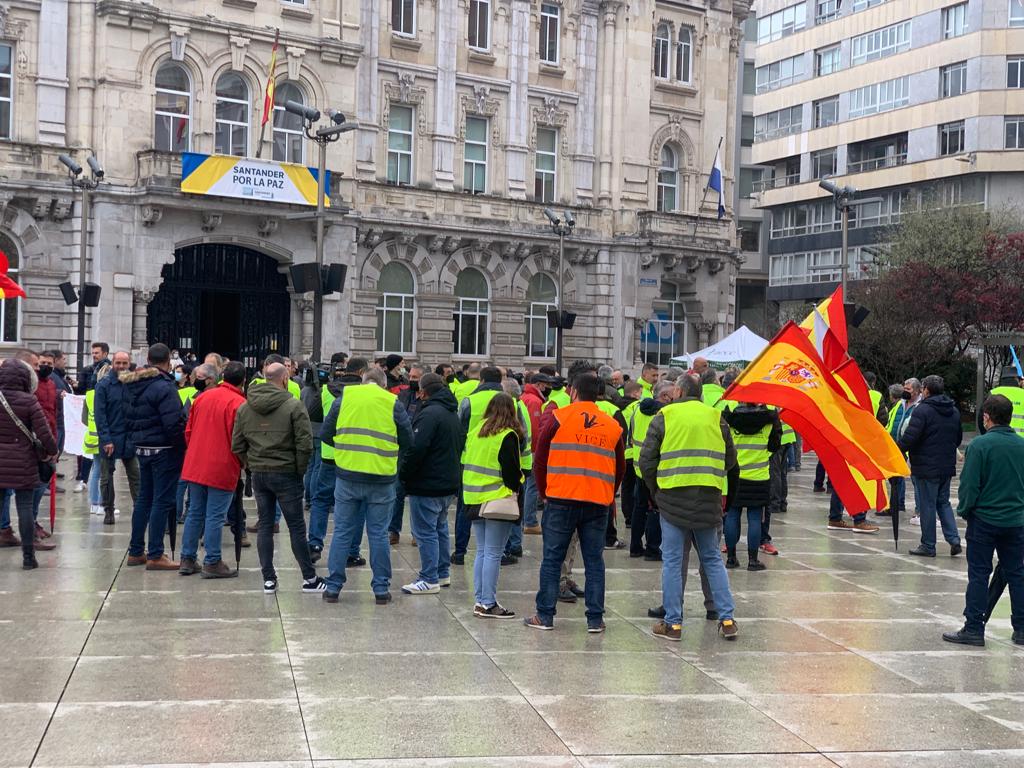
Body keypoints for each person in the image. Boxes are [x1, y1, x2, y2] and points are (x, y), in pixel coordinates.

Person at [639, 374, 740, 641]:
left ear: (680, 391)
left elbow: (646, 460)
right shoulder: (716, 417)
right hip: (708, 497)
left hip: (672, 498)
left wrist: (655, 491)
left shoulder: (665, 416)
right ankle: (727, 618)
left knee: (673, 561)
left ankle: (673, 623)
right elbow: (730, 458)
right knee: (712, 559)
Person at [523, 372, 625, 633]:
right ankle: (595, 619)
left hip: (561, 498)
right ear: (599, 395)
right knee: (594, 561)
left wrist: (545, 492)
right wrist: (608, 492)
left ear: (573, 392)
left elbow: (540, 458)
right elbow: (620, 467)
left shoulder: (559, 418)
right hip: (597, 501)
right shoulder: (612, 424)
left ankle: (544, 616)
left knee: (552, 559)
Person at [320, 367, 413, 604]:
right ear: (383, 384)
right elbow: (408, 439)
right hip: (381, 478)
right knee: (378, 534)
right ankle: (381, 589)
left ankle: (333, 587)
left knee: (342, 532)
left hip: (348, 475)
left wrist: (346, 448)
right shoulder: (392, 402)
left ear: (363, 381)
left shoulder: (346, 397)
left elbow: (326, 433)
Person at [233, 362, 325, 594]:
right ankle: (309, 578)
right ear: (285, 379)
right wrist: (299, 470)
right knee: (295, 526)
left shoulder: (245, 407)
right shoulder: (293, 405)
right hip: (286, 472)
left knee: (265, 524)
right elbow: (305, 444)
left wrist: (250, 464)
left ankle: (269, 579)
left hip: (260, 472)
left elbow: (237, 444)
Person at [943, 395, 1024, 647]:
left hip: (985, 520)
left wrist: (965, 511)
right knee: (1018, 574)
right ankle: (1021, 628)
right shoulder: (1021, 445)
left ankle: (974, 628)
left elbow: (969, 486)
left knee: (979, 573)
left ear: (986, 416)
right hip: (1016, 521)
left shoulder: (979, 446)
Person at [178, 361, 247, 578]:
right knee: (215, 515)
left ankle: (187, 558)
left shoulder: (202, 397)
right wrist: (243, 462)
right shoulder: (239, 403)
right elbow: (240, 440)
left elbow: (188, 431)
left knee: (195, 512)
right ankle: (212, 560)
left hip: (197, 462)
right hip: (222, 464)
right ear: (243, 381)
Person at [122, 343, 186, 570]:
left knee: (144, 499)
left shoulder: (132, 384)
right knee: (162, 500)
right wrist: (182, 446)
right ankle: (156, 553)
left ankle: (136, 550)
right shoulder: (164, 386)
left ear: (148, 359)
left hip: (142, 447)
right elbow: (174, 422)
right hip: (164, 449)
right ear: (168, 361)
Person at [400, 373, 463, 594]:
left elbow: (416, 448)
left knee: (425, 531)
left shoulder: (429, 414)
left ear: (424, 391)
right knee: (440, 528)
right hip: (447, 481)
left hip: (428, 483)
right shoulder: (450, 411)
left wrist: (404, 473)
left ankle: (429, 577)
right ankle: (442, 572)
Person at [462, 393, 523, 617]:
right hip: (498, 498)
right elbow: (511, 472)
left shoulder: (475, 431)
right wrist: (519, 484)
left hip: (474, 497)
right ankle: (488, 602)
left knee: (482, 551)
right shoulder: (507, 435)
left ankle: (480, 600)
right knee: (494, 553)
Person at [308, 357, 368, 566]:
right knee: (358, 505)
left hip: (329, 455)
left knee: (321, 500)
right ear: (362, 373)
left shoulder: (326, 390)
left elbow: (312, 415)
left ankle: (315, 544)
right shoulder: (365, 394)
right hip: (356, 458)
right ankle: (352, 551)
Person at [0, 358, 58, 568]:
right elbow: (44, 432)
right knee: (24, 508)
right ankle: (28, 557)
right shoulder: (28, 400)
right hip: (22, 461)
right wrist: (53, 451)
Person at [899, 374, 963, 557]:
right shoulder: (954, 411)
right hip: (946, 466)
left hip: (926, 467)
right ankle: (954, 539)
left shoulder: (922, 410)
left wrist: (897, 450)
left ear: (925, 390)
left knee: (927, 505)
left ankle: (928, 545)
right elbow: (957, 439)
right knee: (943, 502)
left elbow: (910, 438)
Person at [723, 403, 781, 571]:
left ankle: (732, 558)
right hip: (759, 477)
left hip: (735, 476)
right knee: (755, 518)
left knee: (732, 515)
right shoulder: (769, 421)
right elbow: (774, 446)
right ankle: (753, 560)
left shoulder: (730, 420)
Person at [629, 381, 674, 560]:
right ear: (664, 396)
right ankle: (653, 549)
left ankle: (635, 546)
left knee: (639, 508)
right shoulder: (664, 414)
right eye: (673, 394)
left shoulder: (636, 410)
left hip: (639, 466)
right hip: (656, 468)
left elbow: (631, 436)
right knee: (656, 509)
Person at [94, 351, 140, 526]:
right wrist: (106, 439)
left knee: (135, 475)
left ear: (129, 363)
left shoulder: (133, 383)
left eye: (124, 363)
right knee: (106, 477)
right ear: (113, 363)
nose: (121, 366)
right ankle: (108, 509)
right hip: (110, 438)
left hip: (129, 438)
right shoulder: (103, 385)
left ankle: (139, 507)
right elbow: (100, 415)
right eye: (118, 363)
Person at [389, 364, 424, 545]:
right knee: (397, 491)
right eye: (410, 377)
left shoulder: (428, 400)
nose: (411, 380)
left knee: (417, 494)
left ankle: (417, 533)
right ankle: (393, 530)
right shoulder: (403, 396)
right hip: (401, 449)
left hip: (420, 450)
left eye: (415, 378)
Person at [519, 372, 552, 535]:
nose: (548, 389)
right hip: (532, 450)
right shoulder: (534, 401)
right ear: (539, 385)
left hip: (526, 450)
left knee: (527, 486)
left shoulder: (526, 397)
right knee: (532, 487)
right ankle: (530, 521)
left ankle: (526, 520)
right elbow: (535, 429)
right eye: (547, 385)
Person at [878, 383, 909, 518]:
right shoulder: (899, 406)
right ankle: (898, 503)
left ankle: (897, 504)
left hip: (895, 447)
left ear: (892, 396)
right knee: (896, 477)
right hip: (895, 446)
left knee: (896, 478)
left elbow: (894, 428)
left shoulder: (899, 407)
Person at [985, 366, 1024, 437]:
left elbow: (982, 417)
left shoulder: (993, 393)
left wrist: (987, 436)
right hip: (1021, 442)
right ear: (1016, 379)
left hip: (996, 439)